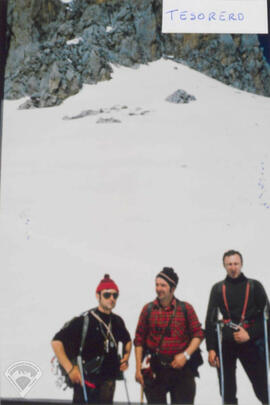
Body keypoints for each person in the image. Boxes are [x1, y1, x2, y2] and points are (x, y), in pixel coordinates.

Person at [51, 274, 132, 404]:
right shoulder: (84, 320)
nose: (111, 298)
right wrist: (70, 369)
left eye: (115, 295)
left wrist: (126, 358)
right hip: (86, 383)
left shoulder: (117, 321)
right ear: (97, 295)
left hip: (108, 384)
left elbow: (127, 341)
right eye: (107, 295)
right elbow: (56, 342)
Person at [205, 249, 270, 405]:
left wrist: (250, 334)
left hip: (251, 342)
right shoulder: (218, 289)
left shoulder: (255, 286)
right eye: (229, 264)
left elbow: (267, 317)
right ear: (224, 265)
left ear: (241, 264)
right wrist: (211, 348)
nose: (233, 267)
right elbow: (211, 320)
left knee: (262, 388)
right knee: (227, 391)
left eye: (236, 263)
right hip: (227, 343)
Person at [134, 267, 204, 405]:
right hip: (155, 369)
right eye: (157, 284)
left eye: (163, 285)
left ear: (173, 288)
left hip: (182, 370)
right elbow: (139, 340)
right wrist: (137, 370)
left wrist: (185, 356)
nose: (158, 288)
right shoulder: (148, 309)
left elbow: (198, 334)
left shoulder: (186, 308)